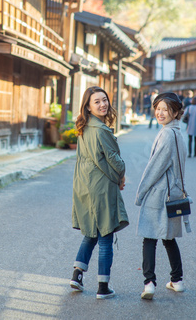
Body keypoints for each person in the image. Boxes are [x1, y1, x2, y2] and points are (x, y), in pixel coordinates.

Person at [70, 86, 129, 299]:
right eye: (97, 101)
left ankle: (76, 275)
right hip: (101, 189)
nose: (103, 104)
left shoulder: (84, 127)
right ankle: (103, 287)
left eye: (104, 100)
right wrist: (121, 174)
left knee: (90, 233)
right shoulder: (101, 130)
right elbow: (113, 162)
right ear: (88, 106)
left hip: (84, 186)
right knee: (105, 235)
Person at [136, 92, 191, 300]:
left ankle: (149, 283)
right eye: (157, 108)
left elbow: (154, 168)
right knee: (169, 238)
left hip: (159, 195)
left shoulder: (166, 134)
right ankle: (177, 280)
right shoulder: (178, 133)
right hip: (174, 194)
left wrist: (140, 192)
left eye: (165, 109)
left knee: (149, 237)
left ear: (175, 112)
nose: (160, 113)